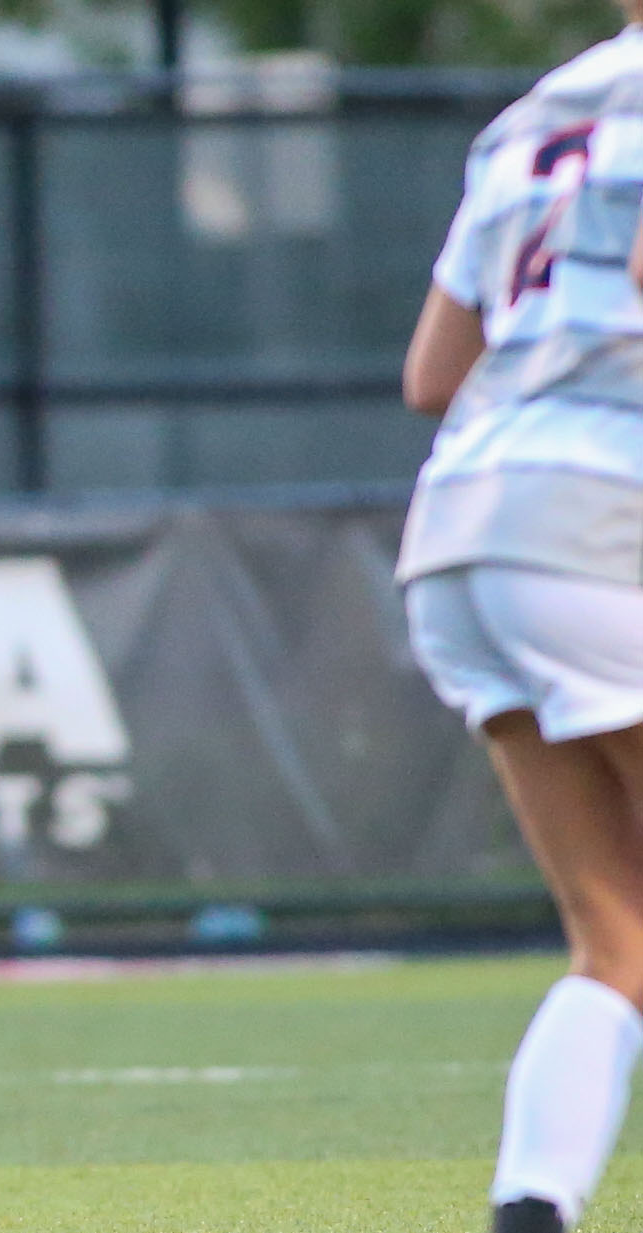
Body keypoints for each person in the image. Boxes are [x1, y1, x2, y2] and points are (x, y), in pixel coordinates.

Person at [401, 5, 643, 1230]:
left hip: (459, 525)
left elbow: (431, 376)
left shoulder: (530, 115)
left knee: (617, 940)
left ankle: (534, 1203)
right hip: (601, 518)